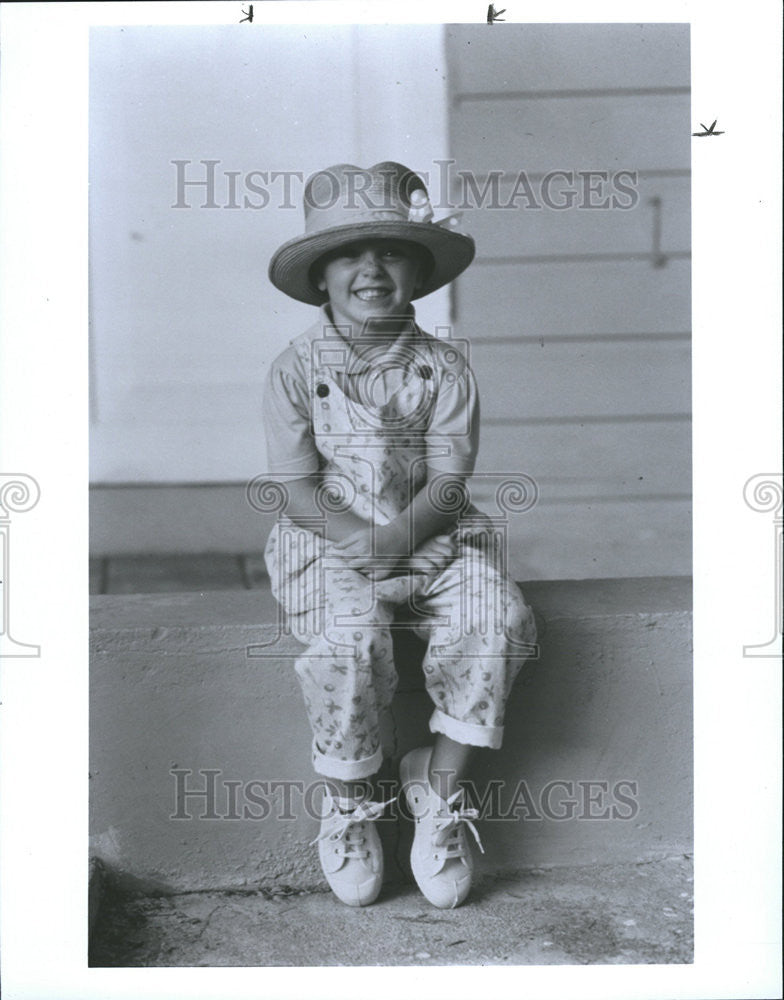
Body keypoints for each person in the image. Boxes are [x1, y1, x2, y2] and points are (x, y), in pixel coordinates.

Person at [262, 161, 537, 909]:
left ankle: (436, 786)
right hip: (330, 539)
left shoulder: (444, 368)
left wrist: (404, 544)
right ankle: (348, 800)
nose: (371, 270)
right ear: (322, 278)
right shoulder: (295, 369)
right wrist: (363, 544)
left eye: (391, 252)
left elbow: (449, 479)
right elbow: (294, 487)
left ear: (418, 271)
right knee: (348, 637)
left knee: (498, 618)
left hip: (435, 530)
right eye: (350, 254)